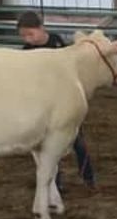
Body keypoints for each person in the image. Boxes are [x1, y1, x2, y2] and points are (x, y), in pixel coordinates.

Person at [16, 11, 96, 191]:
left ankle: (88, 175)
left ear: (41, 28)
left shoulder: (57, 42)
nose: (27, 39)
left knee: (78, 140)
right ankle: (55, 183)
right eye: (23, 35)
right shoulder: (26, 52)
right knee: (50, 145)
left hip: (64, 102)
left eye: (30, 33)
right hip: (43, 105)